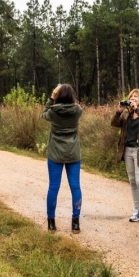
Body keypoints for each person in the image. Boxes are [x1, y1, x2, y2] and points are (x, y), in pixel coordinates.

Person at [110, 89, 139, 224]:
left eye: (135, 97)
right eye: (131, 97)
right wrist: (119, 110)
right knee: (132, 181)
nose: (133, 98)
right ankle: (137, 210)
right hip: (127, 150)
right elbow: (114, 123)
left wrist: (137, 110)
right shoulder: (126, 114)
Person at [42, 83, 83, 234]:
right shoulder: (78, 110)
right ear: (72, 96)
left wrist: (52, 98)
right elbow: (76, 106)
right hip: (73, 152)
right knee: (75, 187)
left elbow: (44, 114)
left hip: (55, 153)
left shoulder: (53, 111)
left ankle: (51, 222)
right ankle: (75, 222)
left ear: (57, 96)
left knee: (54, 186)